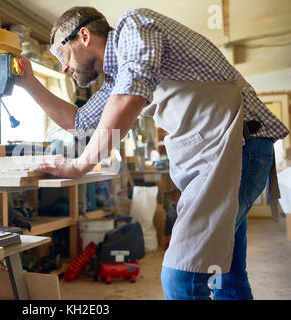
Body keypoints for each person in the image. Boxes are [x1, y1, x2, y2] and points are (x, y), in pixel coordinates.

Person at [16, 6, 289, 300]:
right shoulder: (117, 78)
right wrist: (29, 83)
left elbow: (130, 98)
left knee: (182, 277)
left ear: (83, 36)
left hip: (240, 147)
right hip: (224, 151)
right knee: (226, 276)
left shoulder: (133, 27)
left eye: (62, 56)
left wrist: (80, 164)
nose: (64, 69)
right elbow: (79, 123)